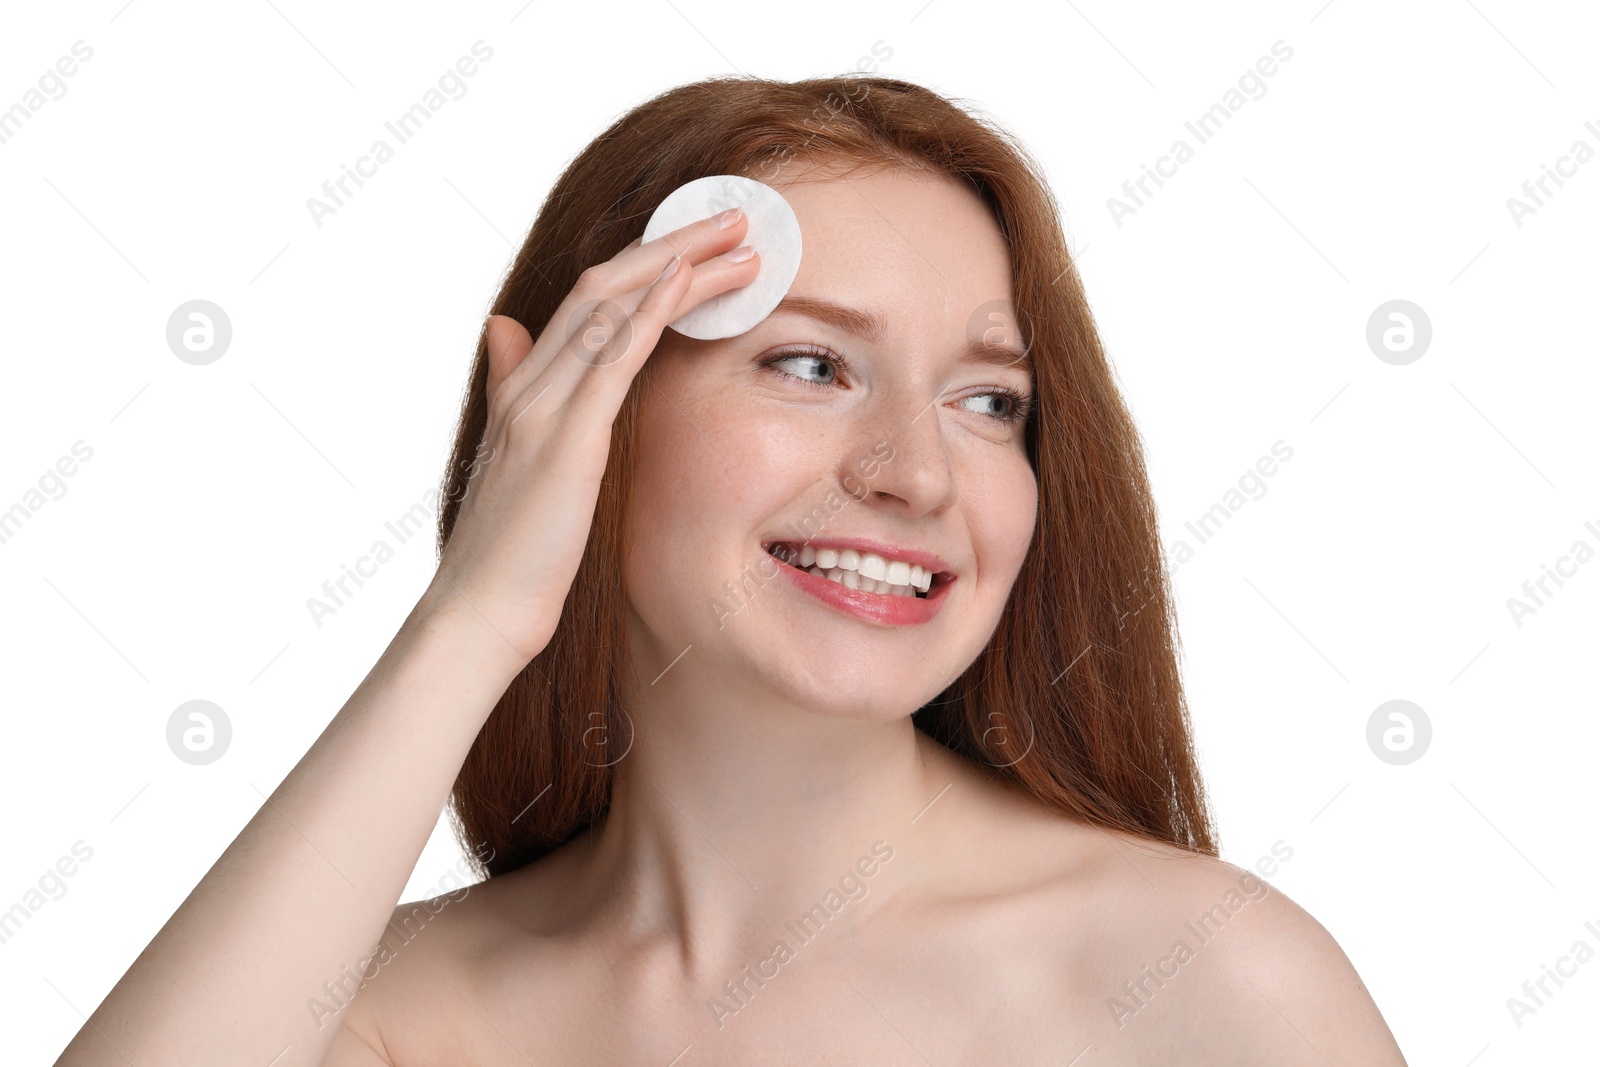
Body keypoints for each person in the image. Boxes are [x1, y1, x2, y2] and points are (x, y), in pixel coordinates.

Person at [56, 74, 1407, 1066]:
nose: (918, 474)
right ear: (589, 420)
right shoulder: (384, 1008)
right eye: (811, 365)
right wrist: (474, 619)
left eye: (991, 402)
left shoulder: (1206, 986)